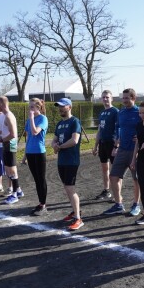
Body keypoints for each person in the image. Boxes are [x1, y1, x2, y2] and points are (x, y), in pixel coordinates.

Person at [103, 88, 141, 216]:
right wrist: (116, 146)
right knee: (113, 176)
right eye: (123, 98)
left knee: (136, 179)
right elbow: (119, 130)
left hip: (135, 150)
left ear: (133, 98)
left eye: (127, 98)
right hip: (122, 149)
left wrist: (141, 137)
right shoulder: (121, 113)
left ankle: (136, 205)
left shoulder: (139, 112)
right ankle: (119, 204)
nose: (124, 100)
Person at [51, 98, 84, 230]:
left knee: (70, 188)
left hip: (71, 161)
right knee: (67, 188)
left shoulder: (75, 121)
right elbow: (54, 140)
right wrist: (54, 145)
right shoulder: (59, 124)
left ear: (69, 107)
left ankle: (78, 218)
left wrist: (60, 147)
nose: (60, 109)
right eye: (59, 106)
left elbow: (74, 140)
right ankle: (75, 211)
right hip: (62, 161)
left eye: (62, 106)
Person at [21, 98, 49, 216]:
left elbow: (35, 132)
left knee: (41, 179)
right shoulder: (29, 120)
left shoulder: (43, 118)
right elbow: (28, 139)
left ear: (39, 107)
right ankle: (40, 203)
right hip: (31, 153)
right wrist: (25, 155)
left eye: (32, 107)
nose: (30, 109)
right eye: (29, 107)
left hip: (39, 152)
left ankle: (43, 205)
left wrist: (32, 119)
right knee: (36, 180)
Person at [0, 96, 24, 204]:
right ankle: (18, 190)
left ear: (2, 105)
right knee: (9, 169)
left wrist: (2, 140)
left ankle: (14, 195)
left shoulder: (8, 116)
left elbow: (13, 134)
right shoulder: (5, 115)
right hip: (6, 145)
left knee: (11, 170)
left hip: (10, 145)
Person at [92, 90, 119, 200]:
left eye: (107, 97)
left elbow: (119, 130)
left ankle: (116, 194)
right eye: (103, 97)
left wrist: (117, 145)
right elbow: (99, 130)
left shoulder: (115, 112)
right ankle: (106, 190)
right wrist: (95, 146)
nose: (105, 99)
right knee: (104, 168)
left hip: (111, 143)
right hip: (103, 144)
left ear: (111, 98)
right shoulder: (102, 113)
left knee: (115, 170)